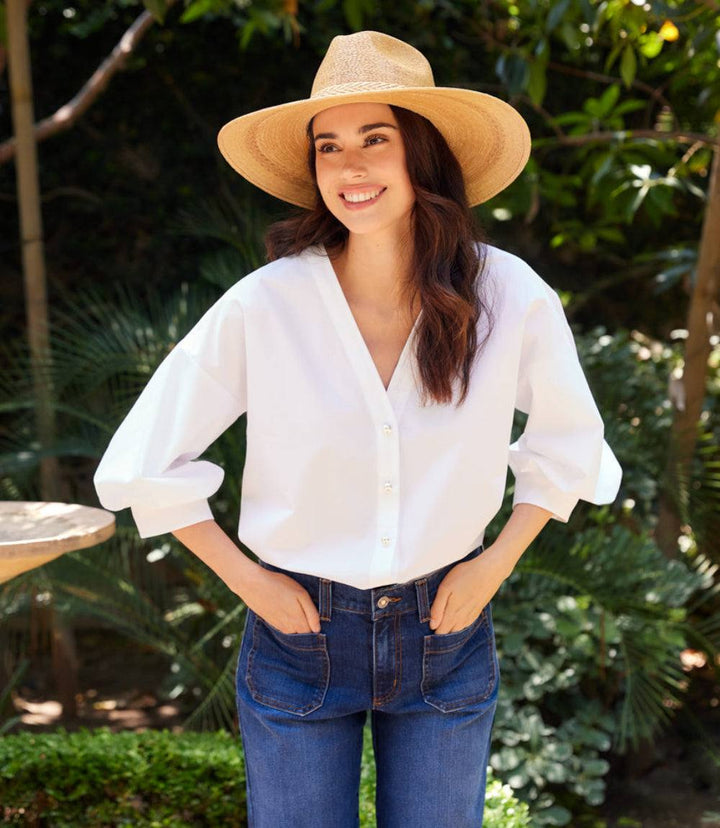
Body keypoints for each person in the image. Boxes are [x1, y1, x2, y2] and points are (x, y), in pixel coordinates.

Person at [94, 30, 622, 828]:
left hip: (447, 627)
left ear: (423, 155)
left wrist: (495, 566)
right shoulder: (267, 304)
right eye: (329, 147)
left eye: (376, 139)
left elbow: (571, 442)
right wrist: (250, 583)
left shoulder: (509, 295)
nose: (350, 167)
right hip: (297, 634)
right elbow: (144, 460)